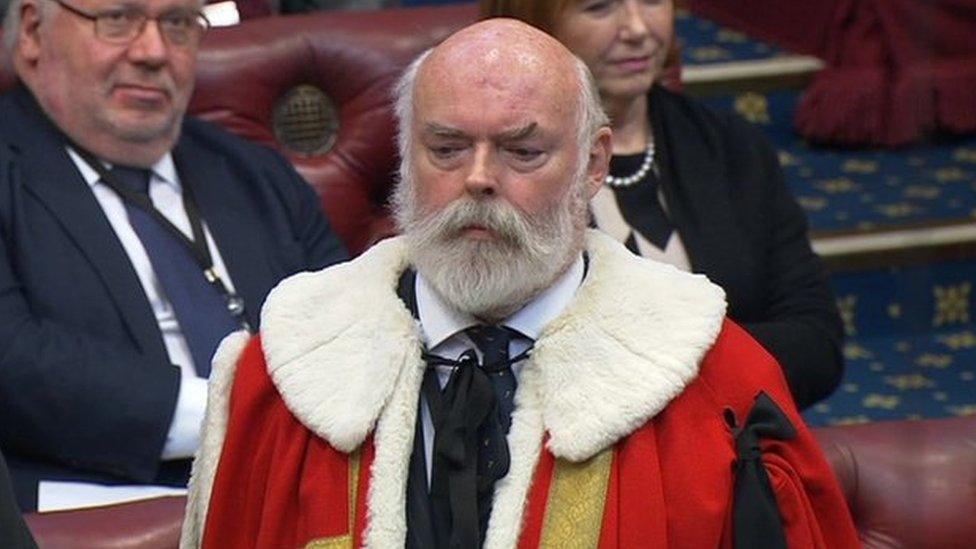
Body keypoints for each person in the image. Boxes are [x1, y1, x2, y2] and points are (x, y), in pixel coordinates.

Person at [182, 19, 858, 548]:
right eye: (445, 148)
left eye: (522, 151)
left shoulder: (719, 383)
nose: (478, 178)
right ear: (406, 152)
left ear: (593, 164)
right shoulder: (285, 372)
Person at [0, 0, 347, 511]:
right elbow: (15, 360)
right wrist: (235, 415)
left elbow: (353, 331)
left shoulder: (254, 176)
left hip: (293, 501)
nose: (154, 52)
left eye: (178, 23)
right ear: (32, 31)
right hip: (94, 517)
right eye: (117, 20)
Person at [480, 0, 843, 410]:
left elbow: (817, 345)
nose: (637, 28)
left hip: (733, 447)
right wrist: (723, 356)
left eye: (652, 1)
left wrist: (661, 364)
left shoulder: (731, 147)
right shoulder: (494, 173)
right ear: (535, 26)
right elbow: (516, 360)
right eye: (600, 8)